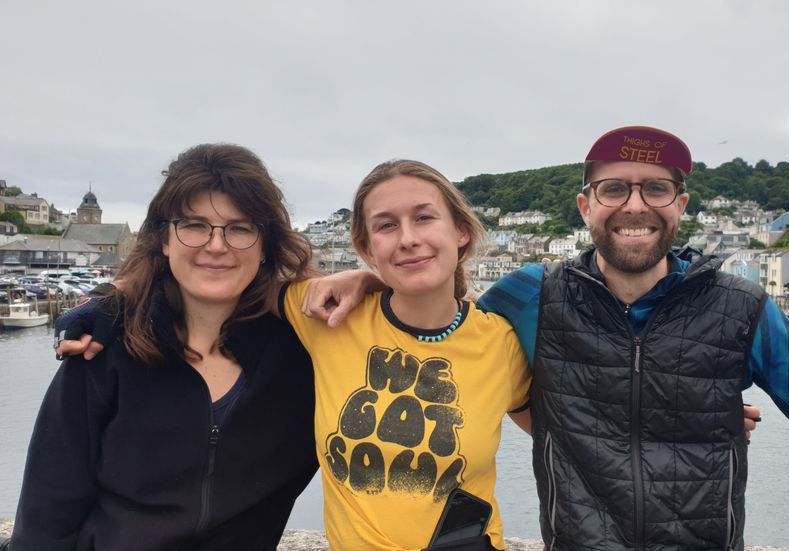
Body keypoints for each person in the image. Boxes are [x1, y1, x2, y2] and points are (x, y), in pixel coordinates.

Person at [301, 126, 789, 550]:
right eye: (613, 189)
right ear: (585, 205)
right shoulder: (532, 294)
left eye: (656, 188)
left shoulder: (742, 307)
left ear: (681, 205)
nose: (634, 205)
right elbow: (442, 312)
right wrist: (365, 276)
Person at [48, 159, 533, 551]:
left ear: (461, 231)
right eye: (386, 226)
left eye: (424, 217)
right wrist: (105, 304)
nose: (407, 237)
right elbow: (220, 276)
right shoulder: (325, 318)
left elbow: (556, 435)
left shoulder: (502, 343)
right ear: (366, 247)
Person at [7, 144, 318, 550]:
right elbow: (47, 512)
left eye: (240, 228)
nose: (217, 245)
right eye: (194, 225)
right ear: (164, 240)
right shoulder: (104, 349)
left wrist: (358, 283)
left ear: (265, 246)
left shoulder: (304, 359)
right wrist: (109, 300)